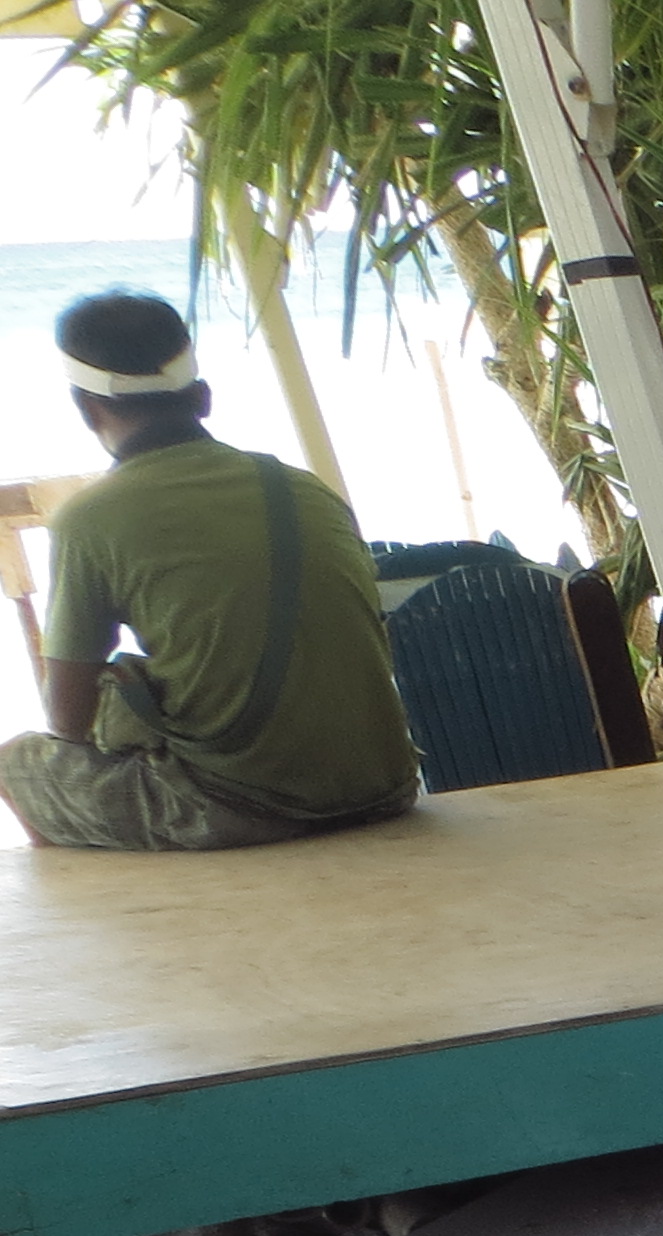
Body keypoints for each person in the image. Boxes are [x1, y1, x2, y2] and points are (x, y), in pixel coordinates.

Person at [0, 290, 418, 853]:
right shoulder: (304, 488)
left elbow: (67, 722)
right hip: (387, 785)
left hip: (242, 806)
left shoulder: (91, 519)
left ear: (87, 409)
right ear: (203, 397)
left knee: (18, 765)